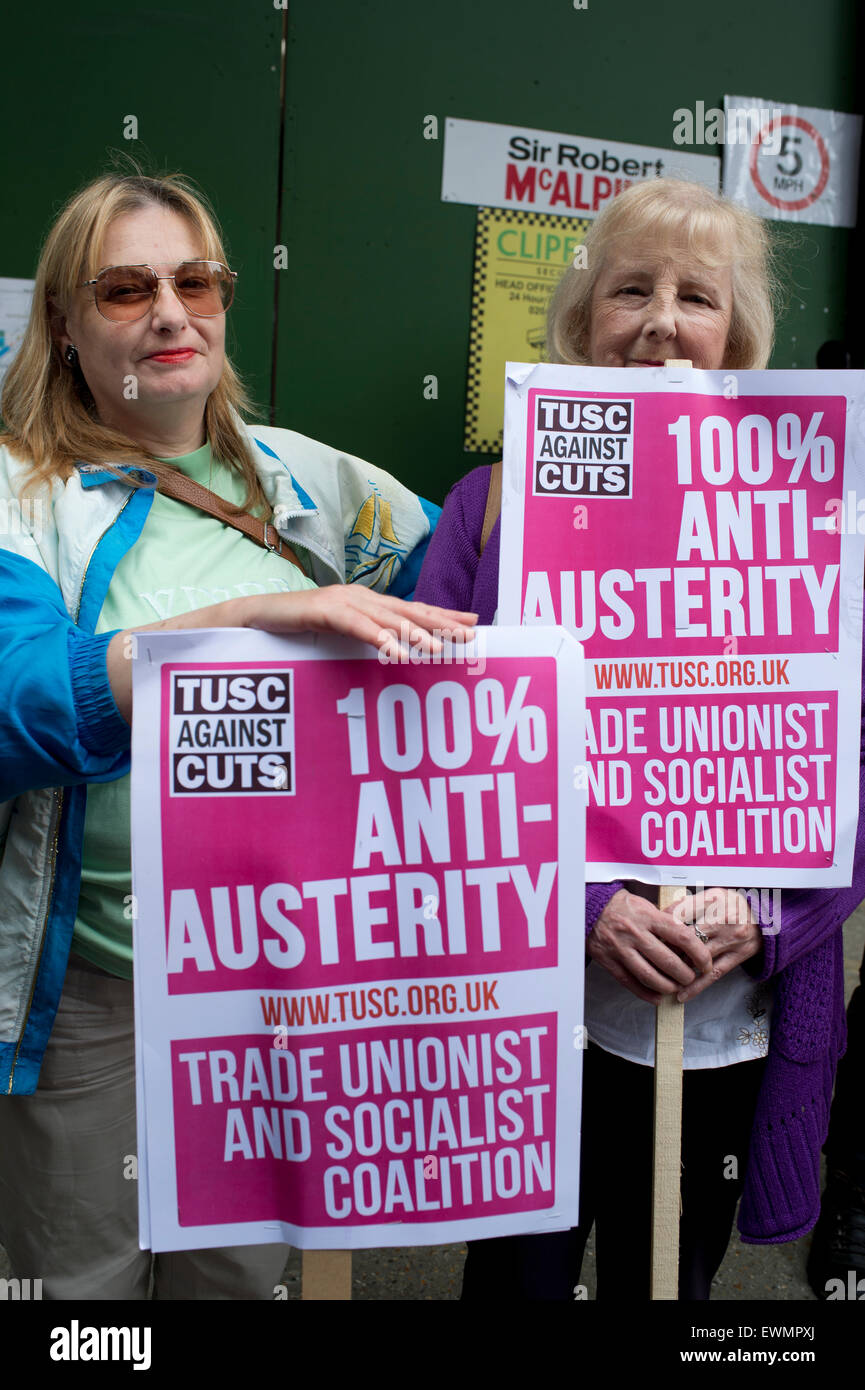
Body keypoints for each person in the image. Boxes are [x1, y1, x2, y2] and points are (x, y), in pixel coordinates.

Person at [0, 171, 476, 1300]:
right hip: (94, 989)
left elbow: (468, 585)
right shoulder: (19, 494)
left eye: (193, 280)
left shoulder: (309, 480)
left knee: (238, 1275)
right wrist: (245, 618)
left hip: (271, 980)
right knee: (83, 1297)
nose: (169, 311)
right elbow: (16, 706)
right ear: (66, 326)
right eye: (126, 287)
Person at [415, 177, 865, 1300]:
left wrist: (767, 917)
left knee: (668, 1287)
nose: (661, 321)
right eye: (630, 289)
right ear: (581, 321)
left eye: (695, 297)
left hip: (721, 1031)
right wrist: (582, 907)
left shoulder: (812, 519)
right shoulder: (491, 508)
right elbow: (429, 752)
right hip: (534, 1015)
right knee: (513, 1282)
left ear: (735, 339)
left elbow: (847, 775)